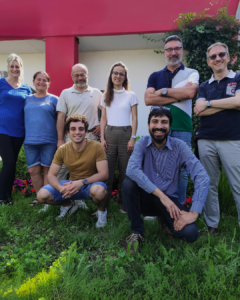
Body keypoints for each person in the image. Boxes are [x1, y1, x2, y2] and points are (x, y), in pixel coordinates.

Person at [122, 107, 210, 252]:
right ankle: (137, 232)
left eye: (164, 122)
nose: (159, 126)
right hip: (146, 198)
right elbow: (131, 169)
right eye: (155, 121)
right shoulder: (142, 143)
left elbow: (202, 177)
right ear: (149, 124)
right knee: (128, 184)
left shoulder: (179, 146)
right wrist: (161, 195)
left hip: (169, 202)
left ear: (170, 126)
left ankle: (165, 220)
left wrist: (194, 212)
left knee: (190, 234)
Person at [144, 35, 199, 211]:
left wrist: (164, 92)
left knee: (182, 170)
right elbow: (147, 99)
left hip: (182, 127)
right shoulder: (155, 75)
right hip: (159, 127)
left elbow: (189, 94)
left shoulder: (191, 73)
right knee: (157, 167)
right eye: (169, 49)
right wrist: (177, 94)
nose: (173, 52)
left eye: (177, 48)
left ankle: (179, 206)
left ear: (182, 50)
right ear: (164, 52)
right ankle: (157, 208)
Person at [194, 42, 240, 235]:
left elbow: (238, 102)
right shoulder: (204, 86)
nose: (218, 58)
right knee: (209, 184)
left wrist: (211, 104)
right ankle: (213, 225)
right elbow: (198, 111)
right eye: (213, 57)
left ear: (229, 57)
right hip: (206, 140)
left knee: (237, 184)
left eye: (221, 54)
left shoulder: (238, 78)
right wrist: (228, 104)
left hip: (232, 139)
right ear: (208, 62)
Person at [37, 114, 109, 225]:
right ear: (68, 132)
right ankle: (68, 204)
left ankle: (101, 212)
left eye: (81, 129)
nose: (77, 132)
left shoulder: (96, 147)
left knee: (99, 192)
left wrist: (82, 182)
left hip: (90, 184)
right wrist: (61, 189)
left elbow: (104, 174)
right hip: (70, 184)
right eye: (73, 129)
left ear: (86, 132)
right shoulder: (62, 149)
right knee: (42, 195)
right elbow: (51, 175)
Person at [56, 63, 102, 213]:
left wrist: (102, 125)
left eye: (82, 74)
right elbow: (61, 117)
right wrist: (60, 139)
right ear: (72, 77)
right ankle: (64, 200)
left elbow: (108, 111)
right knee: (62, 169)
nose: (80, 77)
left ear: (87, 75)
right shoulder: (65, 93)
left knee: (89, 169)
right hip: (70, 137)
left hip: (90, 136)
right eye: (76, 75)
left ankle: (84, 199)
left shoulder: (96, 93)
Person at [100, 62, 138, 213]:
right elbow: (103, 118)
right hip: (109, 134)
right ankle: (104, 205)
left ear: (125, 77)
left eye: (121, 74)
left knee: (125, 172)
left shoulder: (131, 95)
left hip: (125, 134)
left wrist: (133, 138)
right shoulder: (105, 95)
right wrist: (102, 138)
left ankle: (123, 205)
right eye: (115, 73)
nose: (118, 76)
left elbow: (134, 118)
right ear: (111, 75)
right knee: (106, 172)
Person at [24, 71, 58, 211]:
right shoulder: (26, 99)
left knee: (47, 170)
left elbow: (60, 120)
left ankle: (47, 200)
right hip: (30, 141)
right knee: (33, 170)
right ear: (33, 82)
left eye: (45, 80)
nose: (41, 82)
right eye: (39, 79)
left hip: (49, 140)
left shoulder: (54, 99)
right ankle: (39, 197)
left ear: (48, 83)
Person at [0, 54, 32, 205]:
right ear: (8, 68)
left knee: (11, 164)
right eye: (12, 66)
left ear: (21, 68)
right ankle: (2, 198)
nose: (14, 69)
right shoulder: (1, 83)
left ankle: (7, 196)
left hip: (19, 131)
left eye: (17, 66)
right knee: (9, 161)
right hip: (2, 129)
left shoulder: (26, 89)